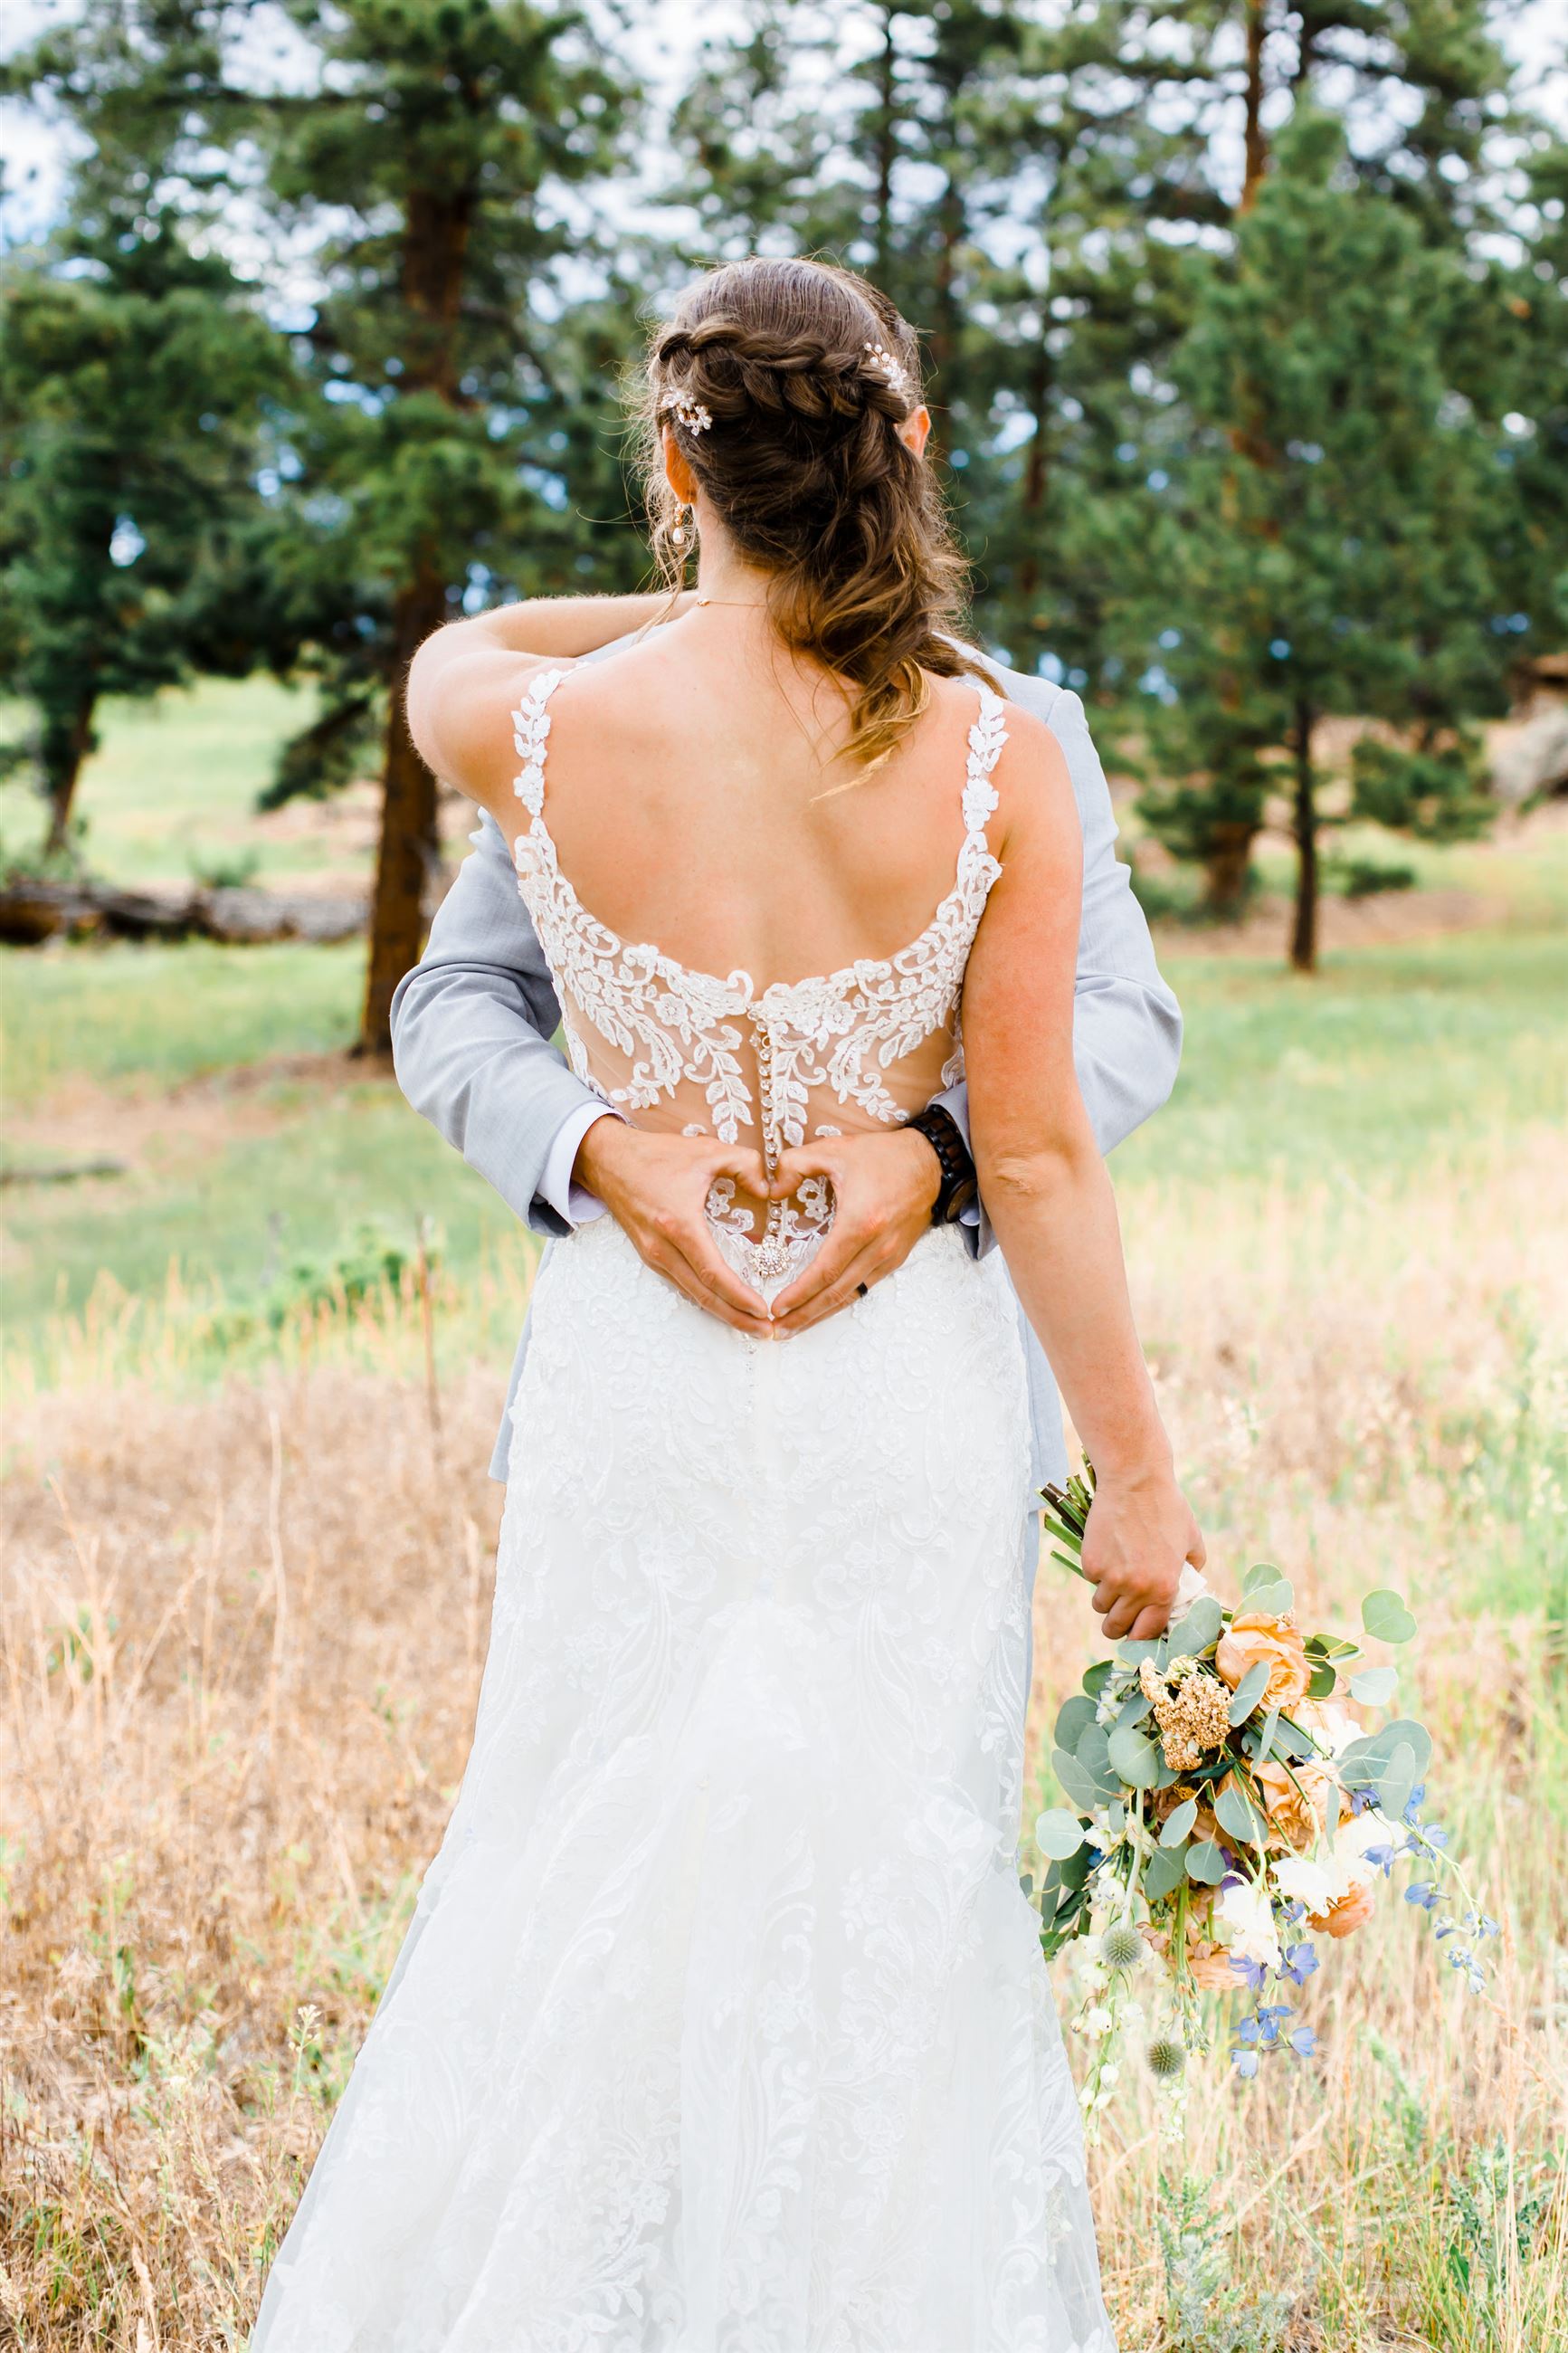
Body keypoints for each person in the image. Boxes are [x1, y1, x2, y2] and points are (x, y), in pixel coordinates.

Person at [250, 256, 1202, 2353]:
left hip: (651, 1381)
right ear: (905, 448)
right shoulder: (992, 759)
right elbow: (1044, 1153)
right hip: (893, 1406)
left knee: (576, 1855)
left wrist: (705, 577)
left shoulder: (527, 724)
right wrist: (1140, 1466)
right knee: (900, 1884)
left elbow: (456, 646)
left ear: (679, 458)